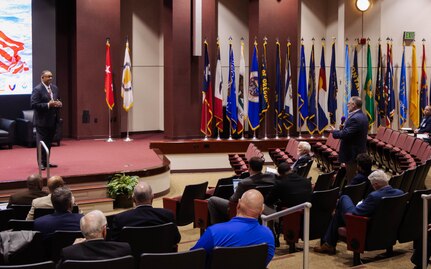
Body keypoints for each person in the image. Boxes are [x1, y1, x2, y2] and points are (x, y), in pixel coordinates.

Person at [314, 170, 403, 255]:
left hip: (363, 226)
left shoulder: (374, 196)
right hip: (386, 229)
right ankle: (329, 244)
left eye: (372, 185)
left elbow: (356, 213)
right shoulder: (400, 193)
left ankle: (329, 243)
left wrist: (360, 205)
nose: (372, 187)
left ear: (376, 184)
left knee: (344, 199)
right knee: (338, 213)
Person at [191, 189, 275, 267]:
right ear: (262, 210)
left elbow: (192, 259)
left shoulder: (214, 232)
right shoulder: (268, 236)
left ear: (238, 204)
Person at [207, 157, 275, 224]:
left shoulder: (244, 183)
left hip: (243, 209)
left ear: (249, 167)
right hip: (262, 207)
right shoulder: (271, 178)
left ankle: (217, 228)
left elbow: (233, 200)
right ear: (261, 167)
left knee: (212, 200)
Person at [110, 181, 180, 242]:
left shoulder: (120, 219)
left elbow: (115, 244)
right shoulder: (167, 215)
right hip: (161, 256)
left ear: (133, 200)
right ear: (152, 198)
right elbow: (176, 239)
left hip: (133, 256)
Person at [59, 210, 131, 264]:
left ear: (82, 232)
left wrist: (73, 247)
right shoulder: (124, 249)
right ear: (104, 231)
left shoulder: (69, 253)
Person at [331, 96, 369, 184]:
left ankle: (352, 196)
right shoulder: (362, 116)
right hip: (357, 152)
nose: (347, 105)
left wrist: (334, 132)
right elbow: (352, 132)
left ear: (354, 105)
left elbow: (346, 134)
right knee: (353, 177)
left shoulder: (355, 118)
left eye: (349, 103)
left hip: (352, 154)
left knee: (352, 179)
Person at [31, 70, 62, 170]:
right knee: (41, 143)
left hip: (52, 120)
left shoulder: (54, 88)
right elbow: (34, 105)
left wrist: (59, 103)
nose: (50, 78)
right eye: (48, 77)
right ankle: (40, 163)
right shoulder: (37, 89)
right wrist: (48, 105)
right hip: (41, 122)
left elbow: (58, 99)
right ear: (42, 78)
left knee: (49, 143)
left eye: (51, 76)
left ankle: (46, 162)